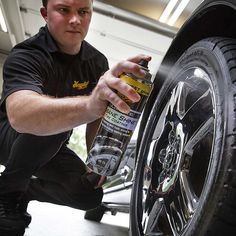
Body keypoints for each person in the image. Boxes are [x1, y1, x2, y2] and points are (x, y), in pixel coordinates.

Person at [0, 0, 151, 235]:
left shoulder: (96, 62)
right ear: (45, 14)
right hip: (7, 136)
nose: (75, 20)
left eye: (83, 12)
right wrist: (90, 104)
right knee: (52, 126)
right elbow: (20, 116)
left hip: (52, 145)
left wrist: (98, 160)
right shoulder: (27, 53)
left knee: (88, 194)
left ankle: (25, 190)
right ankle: (6, 195)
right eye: (63, 10)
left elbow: (96, 119)